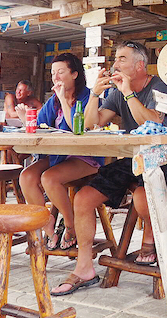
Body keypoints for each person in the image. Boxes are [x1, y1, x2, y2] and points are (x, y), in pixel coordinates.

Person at [50, 41, 167, 296]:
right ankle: (84, 268)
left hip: (161, 157)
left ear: (140, 65)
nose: (115, 64)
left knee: (142, 198)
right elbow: (88, 125)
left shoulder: (160, 87)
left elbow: (151, 122)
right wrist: (95, 94)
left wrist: (128, 93)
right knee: (83, 199)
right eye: (116, 59)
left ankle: (151, 241)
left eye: (122, 59)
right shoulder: (116, 92)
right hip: (130, 159)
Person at [17, 53, 100, 253]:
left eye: (61, 72)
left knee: (49, 178)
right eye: (53, 73)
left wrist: (63, 99)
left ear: (74, 74)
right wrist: (23, 118)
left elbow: (77, 129)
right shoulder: (53, 99)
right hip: (58, 155)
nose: (56, 77)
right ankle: (48, 226)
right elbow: (39, 125)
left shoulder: (87, 97)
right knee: (27, 176)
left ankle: (71, 225)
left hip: (84, 156)